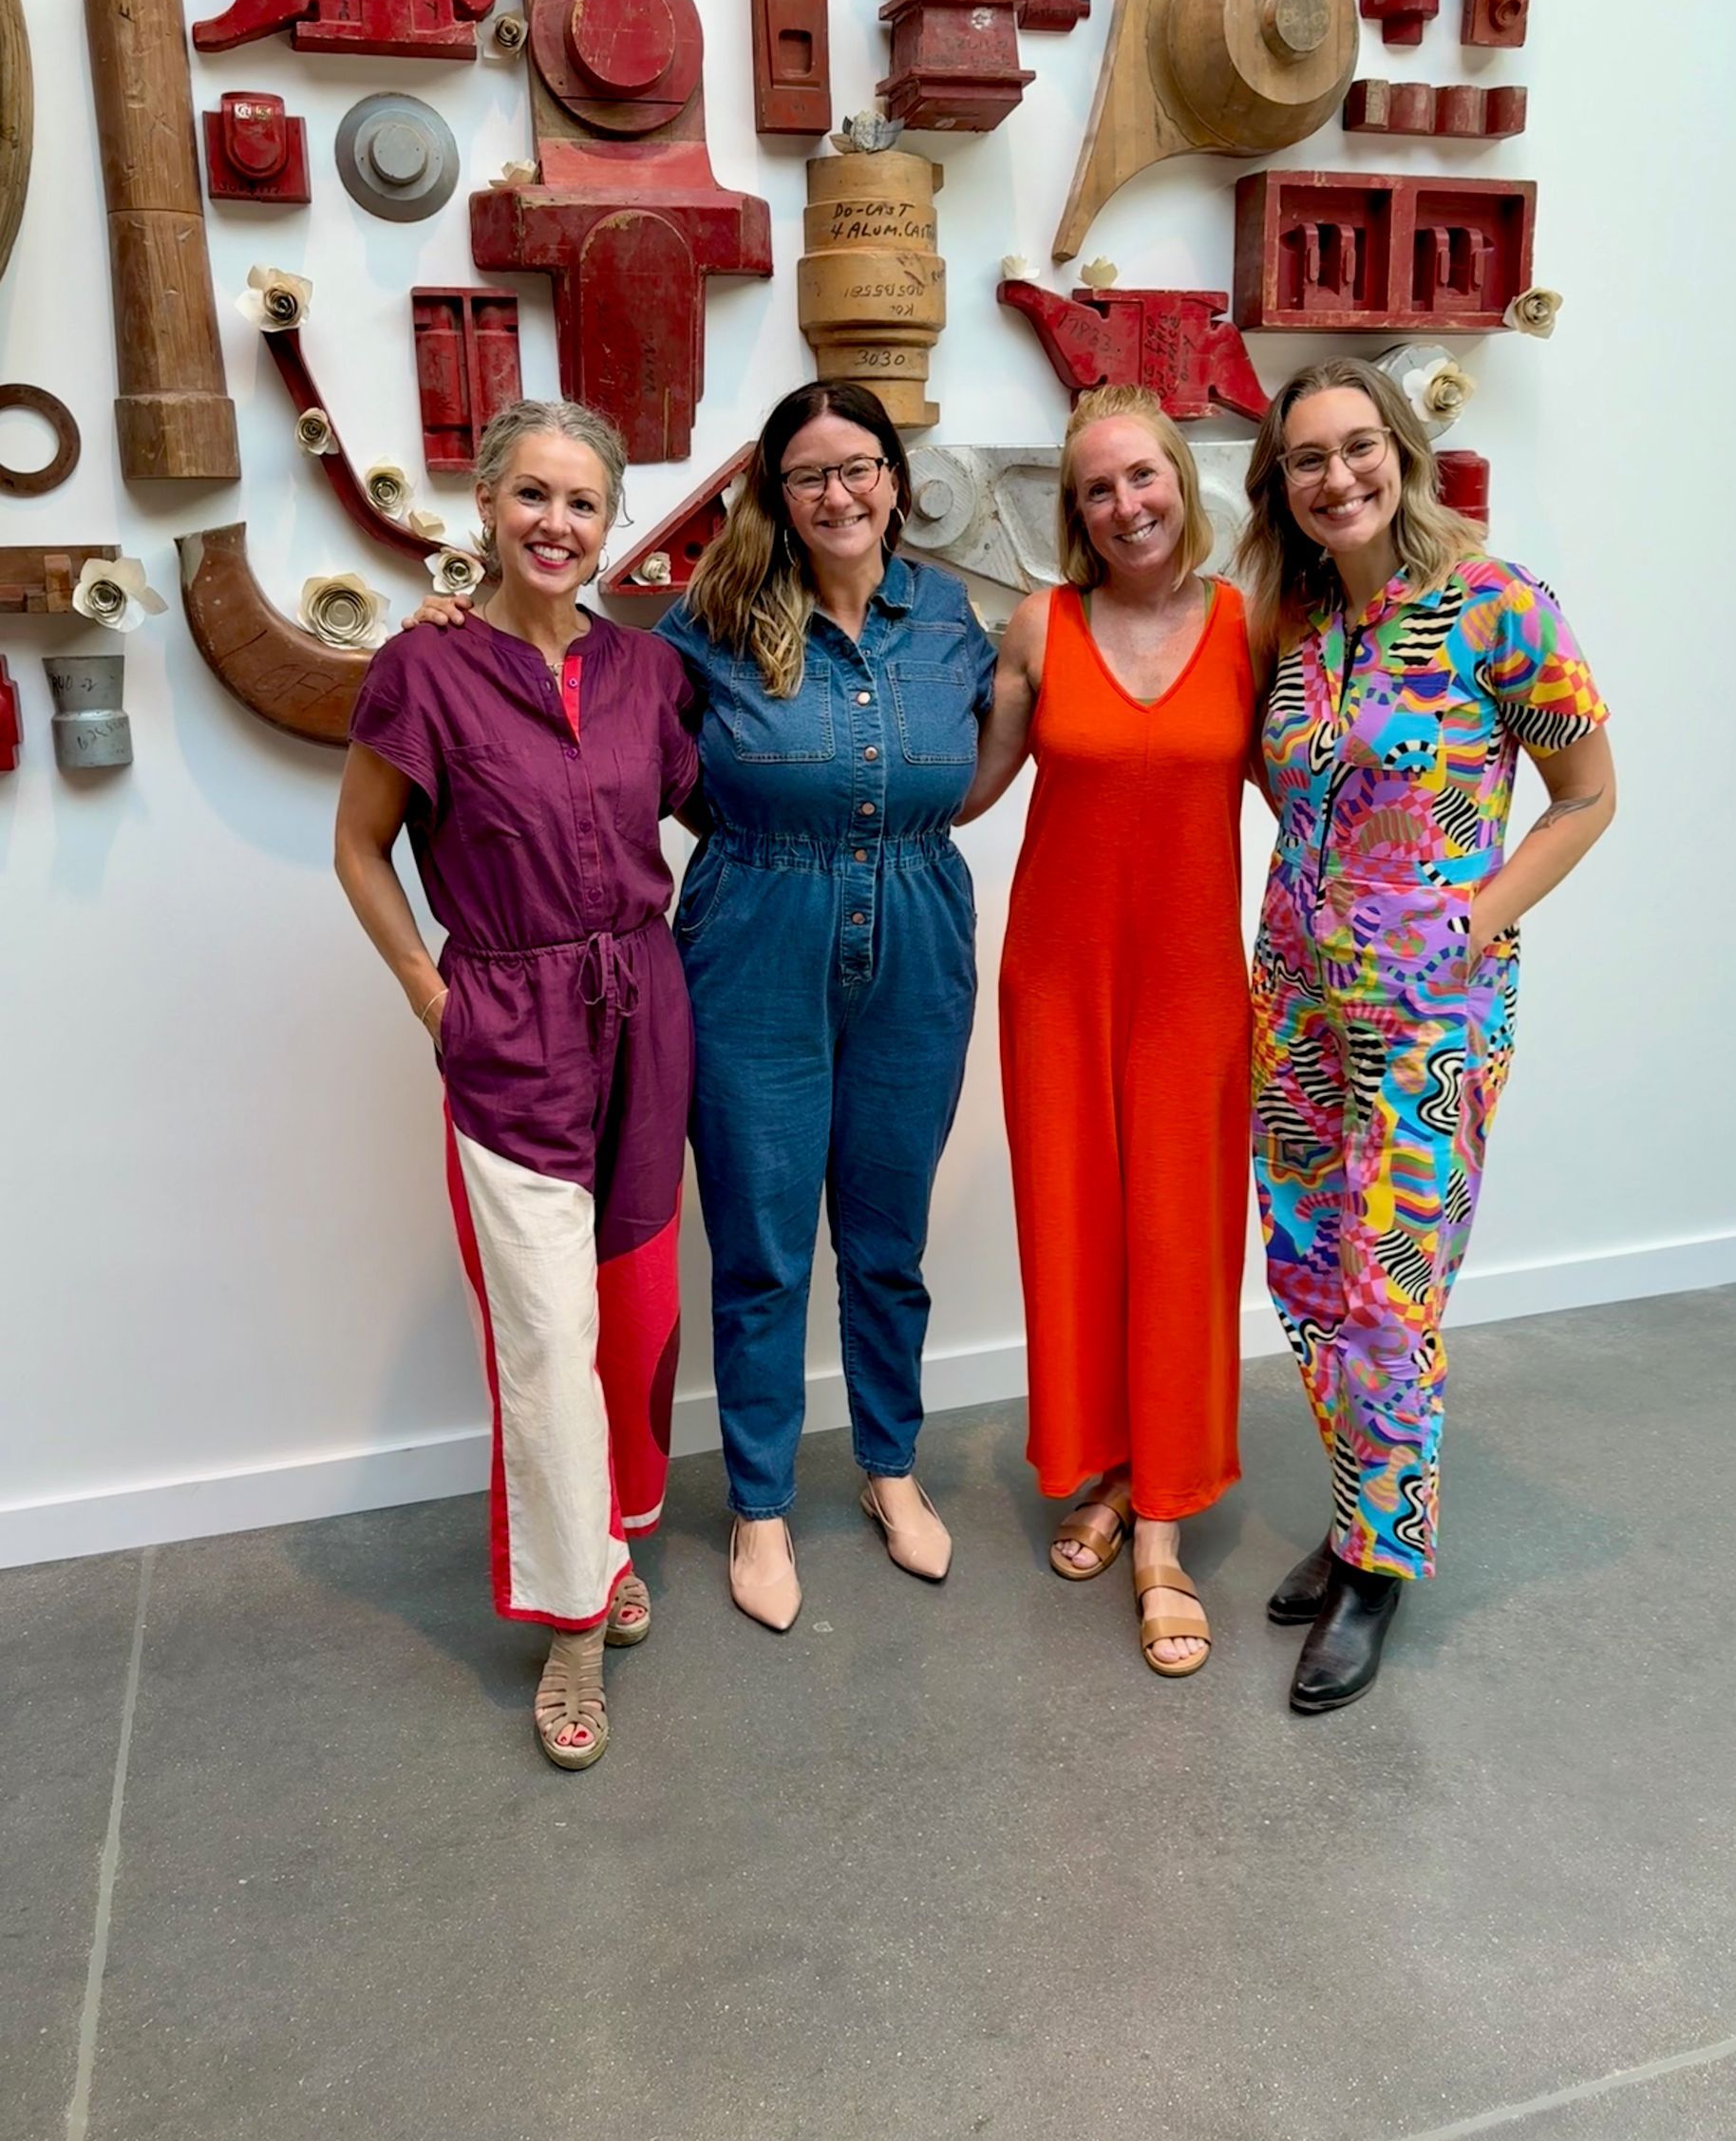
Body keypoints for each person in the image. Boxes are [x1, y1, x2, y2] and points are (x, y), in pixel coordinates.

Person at [1236, 358, 1615, 1715]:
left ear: (1402, 450)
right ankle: (1355, 1518)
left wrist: (1471, 919)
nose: (1335, 476)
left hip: (1429, 1014)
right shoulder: (1286, 626)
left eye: (1357, 448)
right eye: (1305, 459)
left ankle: (1379, 1569)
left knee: (1392, 1293)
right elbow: (1280, 793)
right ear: (1278, 485)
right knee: (1306, 1268)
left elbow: (1585, 795)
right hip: (1292, 997)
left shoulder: (1499, 607)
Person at [334, 398, 698, 1772]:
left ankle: (610, 1538)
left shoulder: (648, 675)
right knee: (546, 1339)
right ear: (485, 506)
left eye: (583, 503)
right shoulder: (422, 672)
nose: (557, 523)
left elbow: (707, 802)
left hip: (642, 1017)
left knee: (637, 1313)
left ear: (611, 525)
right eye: (532, 496)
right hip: (510, 1027)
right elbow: (360, 849)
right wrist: (435, 999)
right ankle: (572, 1618)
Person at [657, 382, 997, 1632]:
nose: (841, 494)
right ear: (777, 497)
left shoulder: (951, 616)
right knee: (760, 1248)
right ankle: (758, 1505)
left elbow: (980, 762)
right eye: (811, 476)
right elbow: (655, 767)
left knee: (886, 1238)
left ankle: (889, 1472)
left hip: (918, 940)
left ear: (896, 478)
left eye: (860, 468)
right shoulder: (712, 624)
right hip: (756, 944)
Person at [961, 387, 1256, 1678]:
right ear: (1072, 514)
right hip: (1061, 983)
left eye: (1142, 477)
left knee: (1181, 1242)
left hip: (1195, 986)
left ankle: (1164, 1530)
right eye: (1096, 489)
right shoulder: (1041, 622)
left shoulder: (1256, 625)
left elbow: (1321, 785)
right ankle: (1110, 1469)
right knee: (1079, 1231)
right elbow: (967, 788)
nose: (1125, 504)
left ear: (1184, 482)